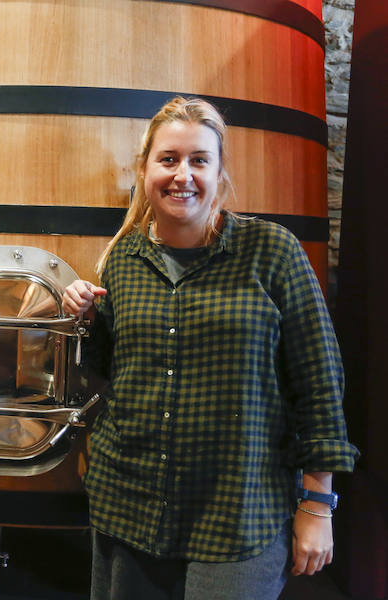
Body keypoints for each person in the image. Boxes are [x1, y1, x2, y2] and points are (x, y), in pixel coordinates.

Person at [62, 97, 358, 600]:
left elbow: (320, 382)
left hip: (240, 511)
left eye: (199, 160)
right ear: (145, 169)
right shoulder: (123, 260)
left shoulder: (272, 252)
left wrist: (317, 504)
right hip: (131, 505)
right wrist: (87, 321)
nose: (183, 175)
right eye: (169, 159)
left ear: (219, 173)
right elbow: (116, 370)